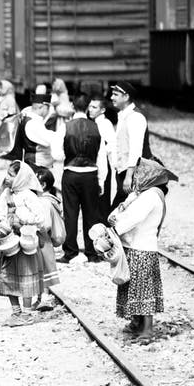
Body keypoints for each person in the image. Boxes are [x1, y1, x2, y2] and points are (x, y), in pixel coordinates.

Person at [109, 158, 178, 339]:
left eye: (140, 172)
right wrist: (118, 215)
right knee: (133, 287)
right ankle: (136, 322)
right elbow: (117, 213)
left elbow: (131, 217)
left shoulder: (151, 196)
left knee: (142, 289)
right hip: (134, 246)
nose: (136, 176)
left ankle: (147, 329)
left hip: (141, 248)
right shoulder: (141, 194)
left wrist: (115, 226)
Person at [0, 161, 57, 326]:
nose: (6, 177)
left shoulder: (28, 195)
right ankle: (16, 311)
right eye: (7, 173)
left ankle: (27, 312)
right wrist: (3, 221)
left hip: (25, 241)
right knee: (7, 274)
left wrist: (22, 219)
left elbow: (40, 218)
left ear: (21, 178)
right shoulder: (6, 194)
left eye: (11, 174)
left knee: (25, 275)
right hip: (10, 240)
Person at [59, 95, 105, 264]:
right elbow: (101, 157)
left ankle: (70, 252)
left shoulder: (65, 127)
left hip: (71, 172)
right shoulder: (96, 127)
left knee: (70, 213)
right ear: (87, 108)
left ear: (72, 106)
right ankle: (92, 252)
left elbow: (57, 154)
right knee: (90, 214)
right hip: (91, 174)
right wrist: (101, 180)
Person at [110, 81, 153, 212]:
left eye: (115, 94)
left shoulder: (136, 117)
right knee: (125, 212)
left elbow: (136, 150)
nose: (112, 97)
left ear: (126, 97)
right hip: (124, 172)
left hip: (134, 174)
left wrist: (129, 176)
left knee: (118, 213)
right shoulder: (123, 115)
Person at [0, 86, 61, 169]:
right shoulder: (33, 123)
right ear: (42, 107)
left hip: (34, 163)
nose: (48, 112)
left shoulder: (27, 116)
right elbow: (48, 140)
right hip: (36, 165)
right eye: (48, 108)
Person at [32, 166, 64, 310]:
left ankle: (44, 297)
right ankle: (41, 297)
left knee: (43, 268)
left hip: (42, 240)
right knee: (42, 268)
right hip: (44, 241)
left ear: (43, 185)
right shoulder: (48, 200)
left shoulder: (43, 202)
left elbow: (45, 224)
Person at [89, 96, 118, 209]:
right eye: (90, 106)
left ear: (102, 110)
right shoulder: (92, 123)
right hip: (94, 163)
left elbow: (112, 145)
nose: (90, 109)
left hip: (103, 164)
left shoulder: (106, 124)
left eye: (94, 107)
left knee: (103, 199)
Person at [0, 80, 19, 154]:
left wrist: (1, 115)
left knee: (4, 139)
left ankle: (4, 151)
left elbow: (12, 113)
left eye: (2, 87)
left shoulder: (10, 99)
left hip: (6, 124)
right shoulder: (2, 98)